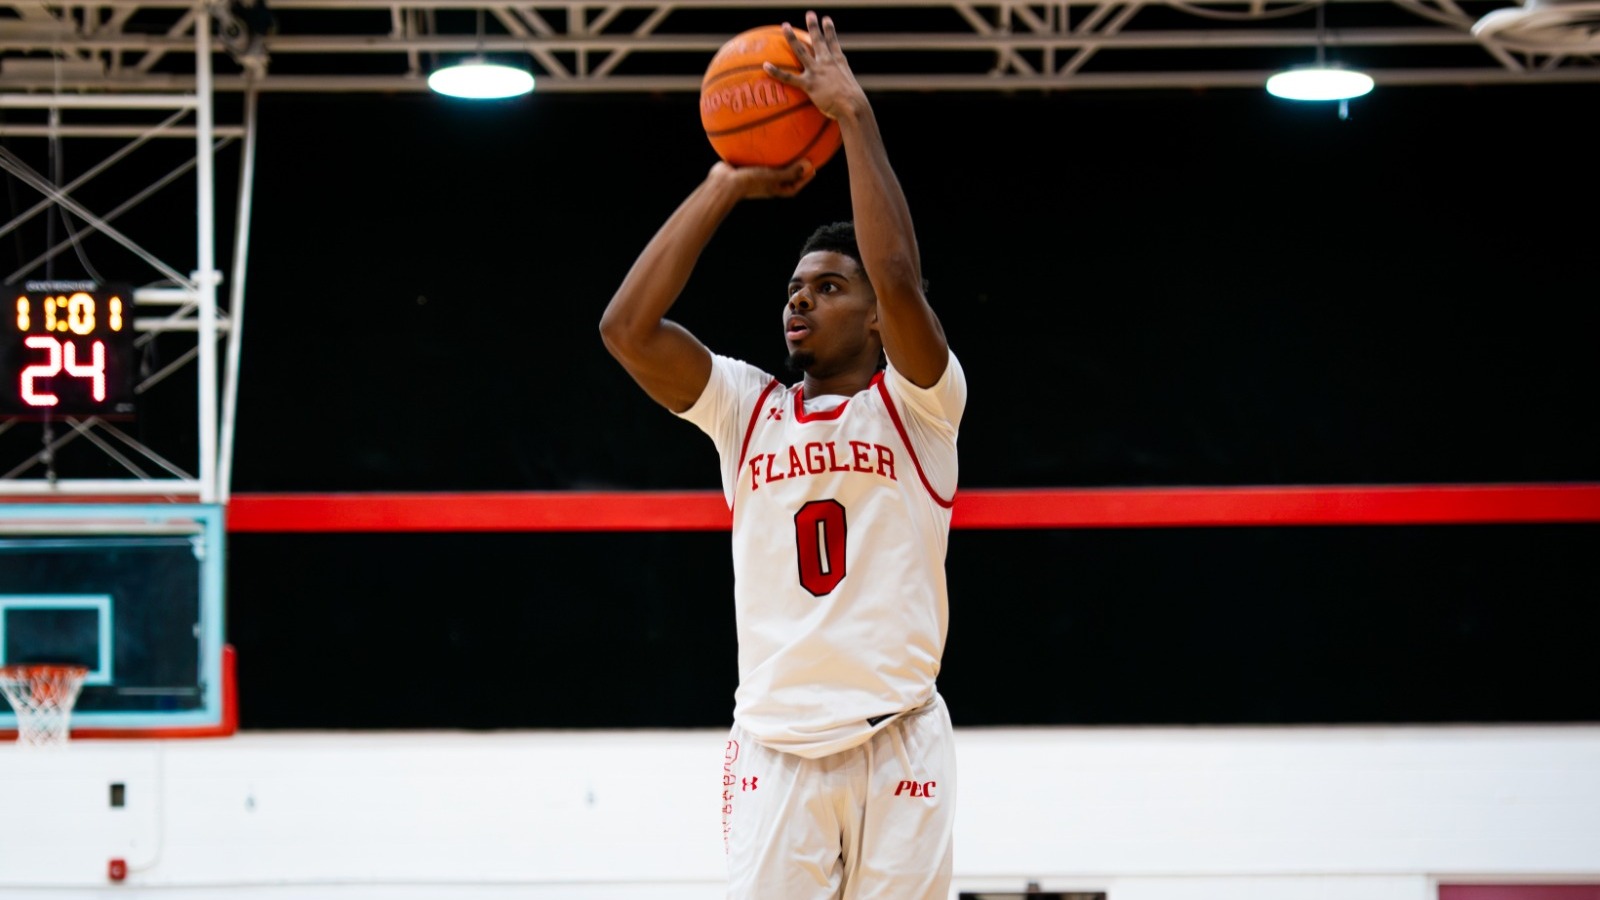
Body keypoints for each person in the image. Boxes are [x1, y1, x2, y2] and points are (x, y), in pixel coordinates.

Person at [599, 11, 965, 899]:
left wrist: (854, 119)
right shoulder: (748, 408)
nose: (800, 303)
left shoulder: (918, 404)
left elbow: (900, 275)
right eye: (794, 290)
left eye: (830, 288)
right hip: (775, 747)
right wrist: (727, 181)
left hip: (899, 732)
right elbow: (626, 328)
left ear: (874, 314)